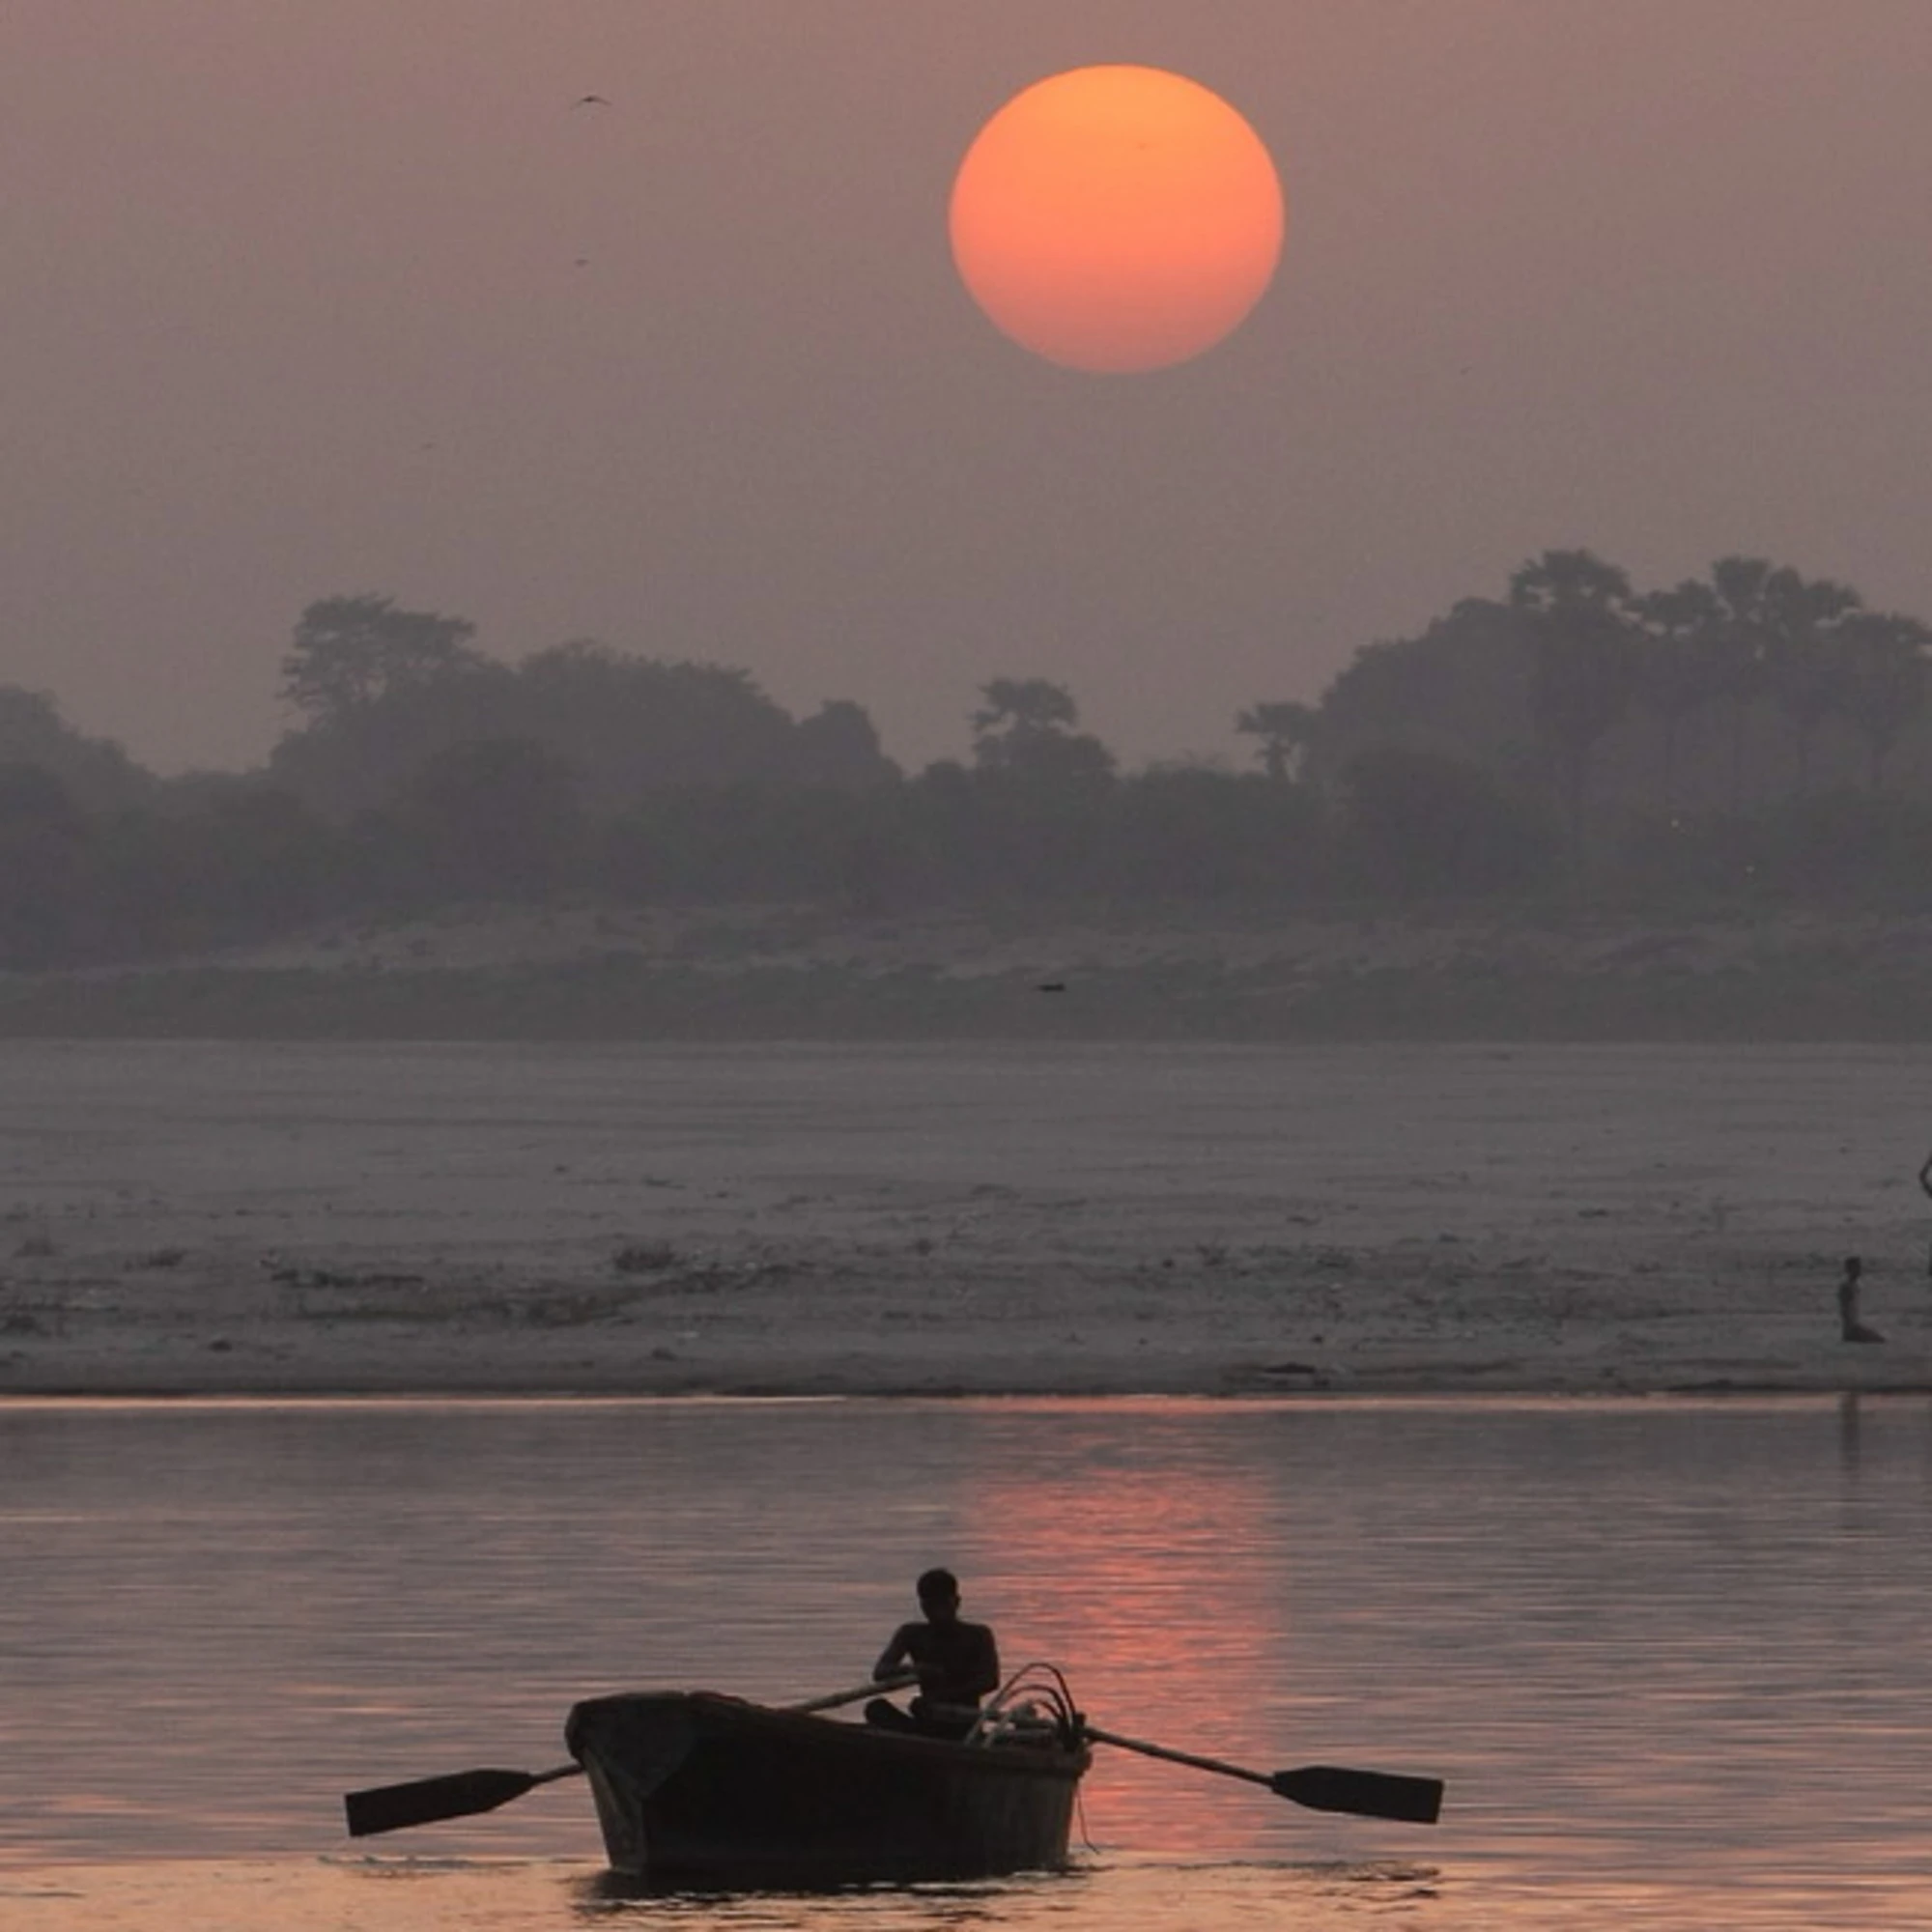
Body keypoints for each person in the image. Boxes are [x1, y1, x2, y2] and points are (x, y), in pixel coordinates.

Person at [866, 1567, 1001, 1738]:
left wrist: (940, 1697)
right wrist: (914, 1669)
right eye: (931, 1605)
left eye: (943, 1604)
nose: (938, 1613)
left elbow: (990, 1681)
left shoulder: (977, 1635)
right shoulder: (912, 1633)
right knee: (875, 1708)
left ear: (956, 1602)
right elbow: (881, 1672)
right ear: (923, 1606)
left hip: (963, 1725)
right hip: (927, 1719)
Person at [1838, 1255, 1885, 1345]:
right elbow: (1846, 1311)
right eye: (1857, 1267)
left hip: (1853, 1327)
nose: (1860, 1270)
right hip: (1852, 1329)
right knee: (1880, 1340)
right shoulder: (1848, 1287)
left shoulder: (1853, 1286)